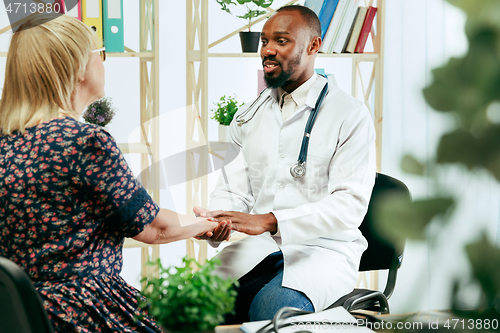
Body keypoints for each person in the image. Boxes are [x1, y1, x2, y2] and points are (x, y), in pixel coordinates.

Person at [0, 15, 222, 332]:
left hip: (18, 314)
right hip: (81, 314)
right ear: (78, 67)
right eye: (101, 53)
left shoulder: (6, 141)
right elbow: (154, 229)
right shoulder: (83, 143)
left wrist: (198, 223)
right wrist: (208, 223)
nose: (105, 62)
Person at [195, 5, 376, 323]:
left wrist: (270, 220)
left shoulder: (349, 115)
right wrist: (217, 222)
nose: (267, 50)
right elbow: (232, 189)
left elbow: (349, 206)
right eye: (264, 41)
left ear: (313, 46)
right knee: (192, 304)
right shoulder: (248, 116)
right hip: (260, 248)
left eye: (281, 41)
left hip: (324, 251)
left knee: (270, 312)